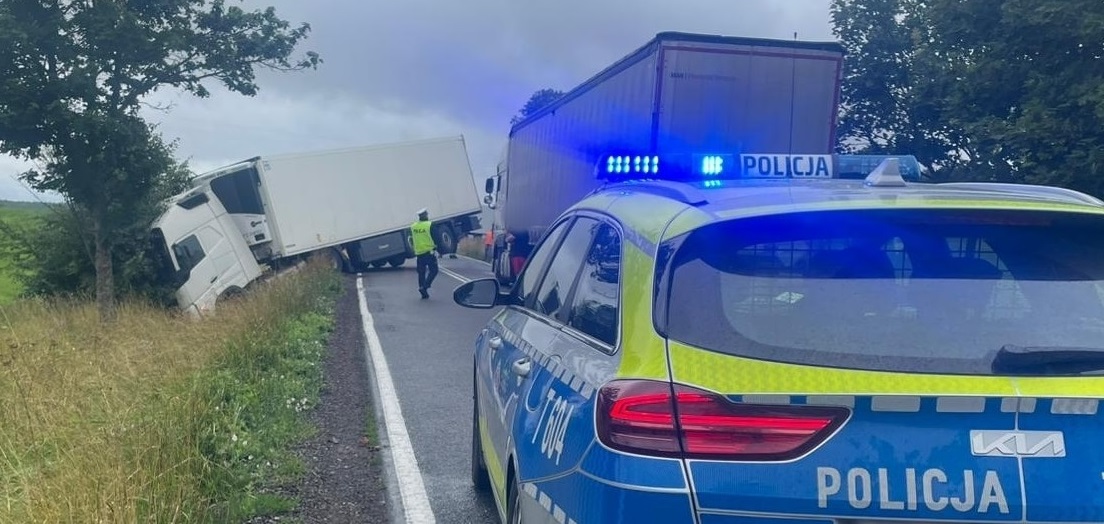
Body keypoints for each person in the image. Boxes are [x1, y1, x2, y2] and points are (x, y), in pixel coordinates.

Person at [411, 208, 438, 299]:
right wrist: (436, 247)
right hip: (429, 252)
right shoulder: (429, 225)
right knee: (434, 270)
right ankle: (425, 286)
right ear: (426, 215)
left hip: (419, 253)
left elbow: (412, 238)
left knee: (421, 272)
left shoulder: (413, 226)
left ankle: (422, 290)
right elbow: (436, 237)